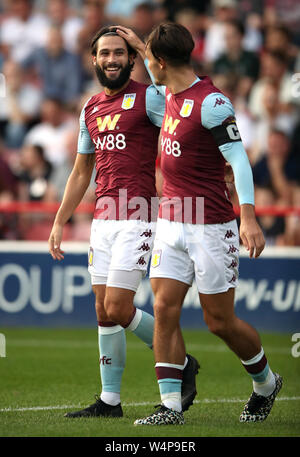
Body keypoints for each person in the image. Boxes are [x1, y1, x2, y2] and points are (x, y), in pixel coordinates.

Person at [115, 22, 283, 426]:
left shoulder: (213, 103)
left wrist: (248, 215)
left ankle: (265, 382)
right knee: (163, 309)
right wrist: (140, 44)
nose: (144, 66)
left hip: (211, 225)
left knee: (218, 321)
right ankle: (169, 406)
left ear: (161, 62)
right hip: (171, 220)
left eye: (147, 59)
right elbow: (160, 78)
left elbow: (239, 159)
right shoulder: (168, 91)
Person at [48, 25, 200, 419]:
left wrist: (144, 47)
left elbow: (178, 99)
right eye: (104, 53)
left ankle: (181, 363)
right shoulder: (90, 108)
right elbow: (82, 170)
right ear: (94, 60)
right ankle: (110, 401)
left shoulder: (149, 97)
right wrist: (59, 221)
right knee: (103, 311)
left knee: (118, 306)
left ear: (131, 59)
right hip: (102, 219)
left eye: (119, 53)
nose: (112, 59)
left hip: (139, 214)